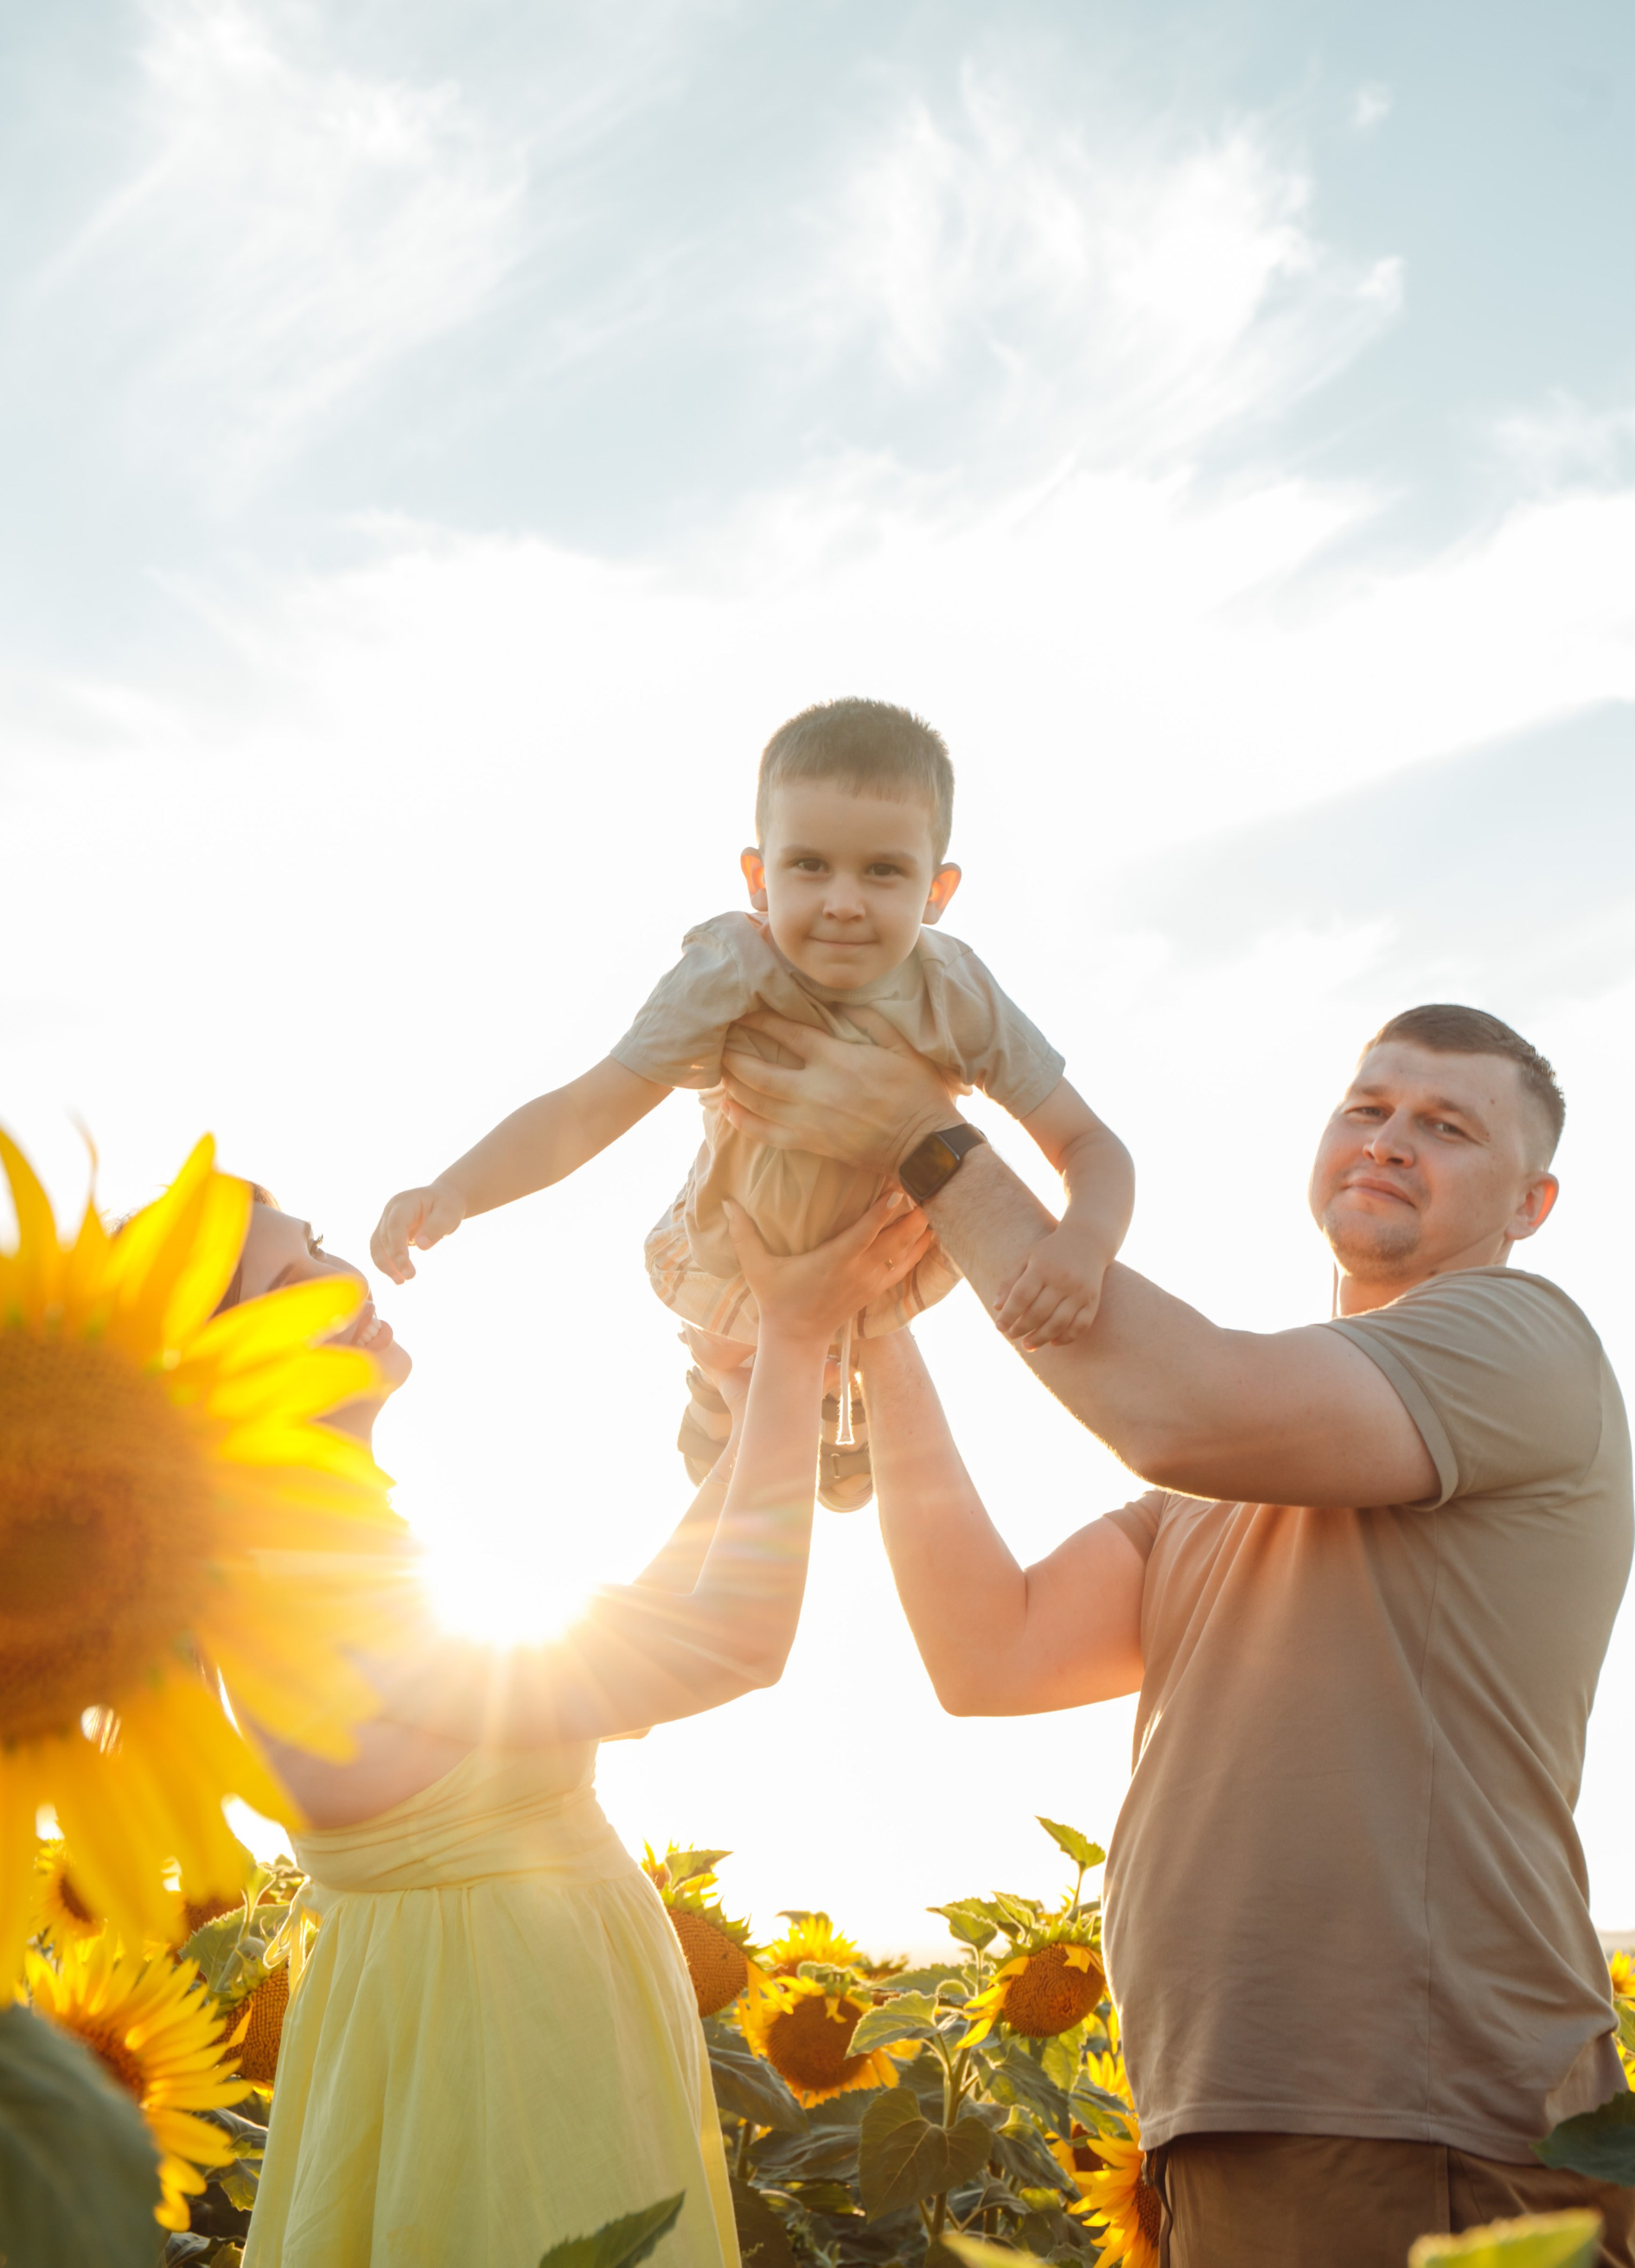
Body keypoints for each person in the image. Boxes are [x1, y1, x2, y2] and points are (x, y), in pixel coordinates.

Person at [713, 999, 1635, 2268]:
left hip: (1406, 2091)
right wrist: (870, 1322)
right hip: (1233, 2102)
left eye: (1445, 1125)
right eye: (1366, 1108)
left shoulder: (1521, 1343)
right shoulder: (1235, 1467)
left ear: (1528, 1206)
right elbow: (993, 1649)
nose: (1389, 1138)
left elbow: (1176, 1402)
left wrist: (929, 1144)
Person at [231, 1181, 929, 2268]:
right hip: (500, 2054)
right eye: (286, 1279)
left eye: (316, 1243)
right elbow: (722, 1646)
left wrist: (754, 1417)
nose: (337, 1276)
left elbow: (634, 1645)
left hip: (500, 2017)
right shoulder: (303, 1562)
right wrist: (791, 1347)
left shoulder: (325, 1539)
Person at [370, 698, 1132, 1510]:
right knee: (739, 1398)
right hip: (733, 1257)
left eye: (883, 871)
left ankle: (842, 1402)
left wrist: (1082, 1244)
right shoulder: (730, 970)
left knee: (862, 1391)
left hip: (877, 1262)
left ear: (937, 889)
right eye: (809, 865)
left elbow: (1088, 1143)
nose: (843, 900)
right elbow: (587, 1109)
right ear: (758, 877)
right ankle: (720, 1390)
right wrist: (456, 1188)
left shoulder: (957, 993)